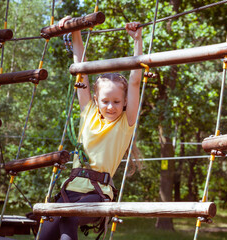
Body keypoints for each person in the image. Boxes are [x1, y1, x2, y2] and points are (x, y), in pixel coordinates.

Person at [39, 19, 143, 240]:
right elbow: (81, 72)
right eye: (105, 101)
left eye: (116, 102)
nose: (110, 106)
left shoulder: (125, 123)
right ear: (96, 99)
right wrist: (75, 32)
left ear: (124, 102)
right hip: (71, 190)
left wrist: (137, 41)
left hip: (97, 194)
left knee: (69, 216)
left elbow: (135, 81)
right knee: (45, 233)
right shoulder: (88, 114)